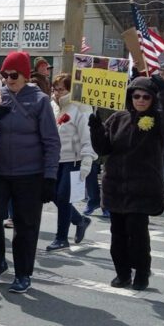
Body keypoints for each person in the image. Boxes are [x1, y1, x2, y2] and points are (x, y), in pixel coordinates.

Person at [89, 74, 164, 289]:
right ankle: (122, 273)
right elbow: (103, 148)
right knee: (117, 235)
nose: (140, 100)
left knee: (137, 233)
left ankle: (142, 272)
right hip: (116, 186)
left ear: (152, 99)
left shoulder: (158, 120)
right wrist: (95, 128)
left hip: (142, 187)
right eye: (136, 96)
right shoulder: (118, 118)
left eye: (146, 97)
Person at [0, 50, 59, 293]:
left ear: (25, 75)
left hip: (30, 174)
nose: (9, 79)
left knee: (26, 225)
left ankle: (23, 273)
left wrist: (50, 176)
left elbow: (51, 141)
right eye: (5, 75)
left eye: (14, 75)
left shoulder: (40, 100)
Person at [46, 72, 94, 250]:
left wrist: (87, 160)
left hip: (73, 159)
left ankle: (61, 238)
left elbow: (87, 136)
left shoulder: (79, 107)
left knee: (63, 196)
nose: (58, 93)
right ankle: (80, 220)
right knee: (52, 194)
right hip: (54, 158)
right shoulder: (52, 105)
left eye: (62, 89)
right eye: (56, 89)